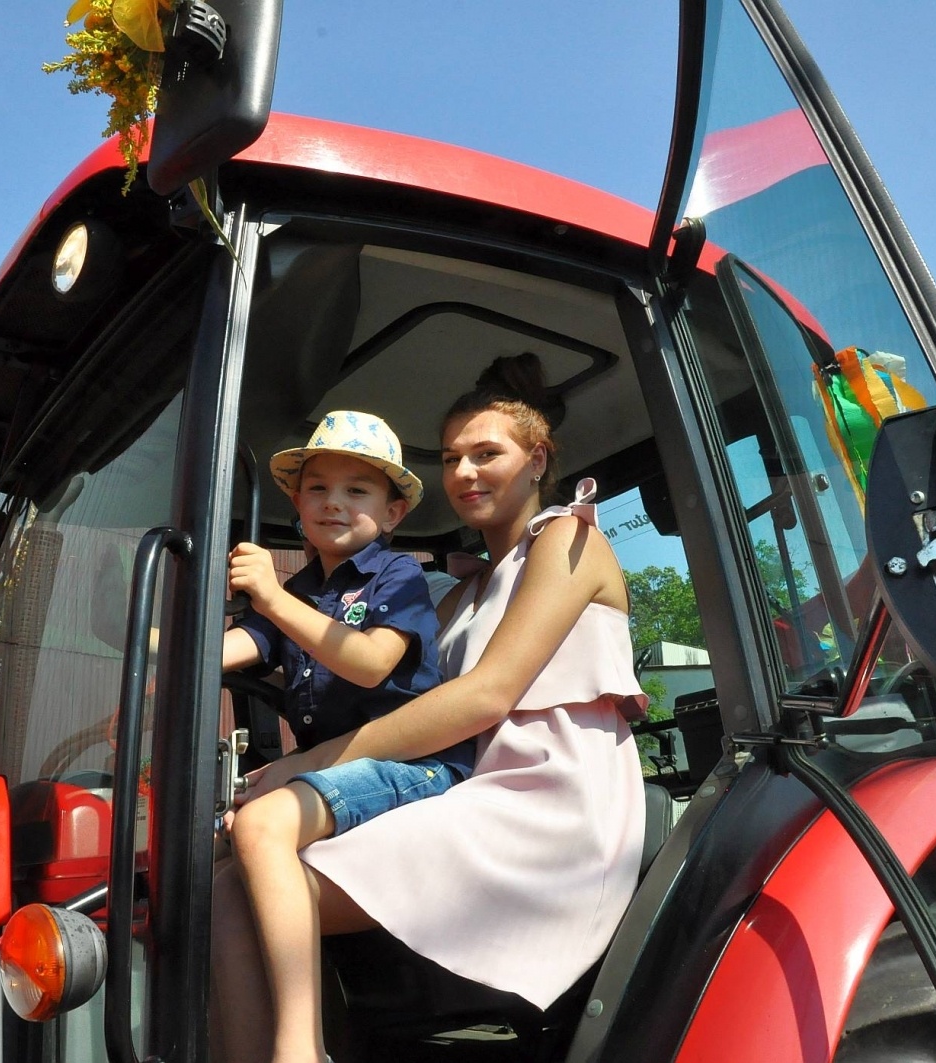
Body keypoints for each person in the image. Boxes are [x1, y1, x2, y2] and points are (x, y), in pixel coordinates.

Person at [212, 356, 647, 1063]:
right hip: (478, 796)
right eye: (451, 458)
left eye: (487, 453)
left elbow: (485, 696)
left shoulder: (571, 541)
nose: (466, 472)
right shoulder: (456, 594)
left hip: (550, 806)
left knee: (268, 862)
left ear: (537, 461)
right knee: (234, 888)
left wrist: (306, 761)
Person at [219, 412, 478, 1006]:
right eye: (318, 488)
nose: (333, 502)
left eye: (356, 490)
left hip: (417, 763)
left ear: (392, 514)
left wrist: (272, 595)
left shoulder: (399, 576)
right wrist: (154, 650)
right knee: (217, 872)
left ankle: (300, 1046)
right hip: (338, 769)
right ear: (297, 502)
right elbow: (240, 647)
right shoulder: (302, 591)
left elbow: (369, 662)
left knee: (259, 823)